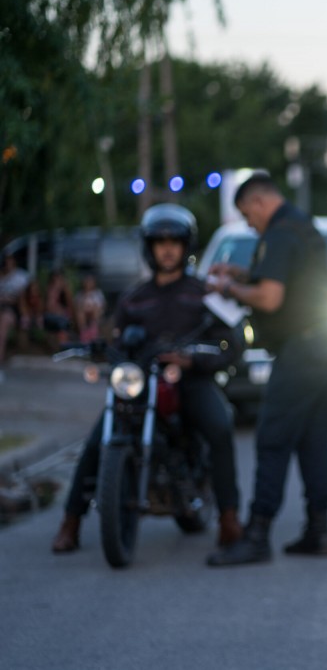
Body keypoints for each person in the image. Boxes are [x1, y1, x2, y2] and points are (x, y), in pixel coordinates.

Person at [51, 204, 243, 553]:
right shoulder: (133, 298)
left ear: (186, 247)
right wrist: (101, 348)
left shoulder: (205, 293)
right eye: (160, 242)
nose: (167, 249)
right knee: (96, 441)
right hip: (140, 383)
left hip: (188, 380)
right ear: (149, 247)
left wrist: (193, 359)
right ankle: (71, 522)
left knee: (219, 425)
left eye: (174, 242)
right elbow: (117, 338)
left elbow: (232, 341)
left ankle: (229, 517)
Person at [205, 173, 327, 566]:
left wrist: (227, 289)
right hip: (324, 342)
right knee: (312, 436)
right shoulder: (301, 225)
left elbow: (270, 297)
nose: (249, 223)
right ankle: (319, 531)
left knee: (272, 436)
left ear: (259, 202)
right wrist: (242, 274)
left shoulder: (281, 234)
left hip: (303, 347)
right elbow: (287, 281)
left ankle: (257, 534)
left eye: (248, 215)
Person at [0, 253, 31, 373]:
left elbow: (24, 299)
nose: (8, 265)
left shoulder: (21, 277)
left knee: (2, 330)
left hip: (12, 310)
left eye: (10, 262)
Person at [74, 273, 105, 343]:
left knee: (95, 309)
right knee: (80, 313)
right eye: (87, 282)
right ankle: (84, 332)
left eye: (90, 282)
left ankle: (94, 330)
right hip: (84, 313)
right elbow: (77, 306)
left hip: (94, 313)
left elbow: (101, 306)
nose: (88, 284)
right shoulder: (80, 294)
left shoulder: (98, 293)